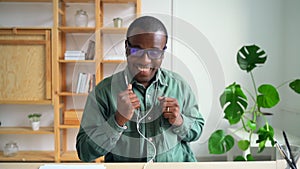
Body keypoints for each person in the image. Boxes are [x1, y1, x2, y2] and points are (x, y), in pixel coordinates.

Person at [76, 16, 205, 162]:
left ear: (163, 52)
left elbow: (197, 131)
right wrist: (118, 120)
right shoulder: (103, 92)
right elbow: (84, 151)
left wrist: (179, 121)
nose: (145, 60)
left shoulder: (179, 85)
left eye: (154, 52)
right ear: (126, 48)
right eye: (137, 50)